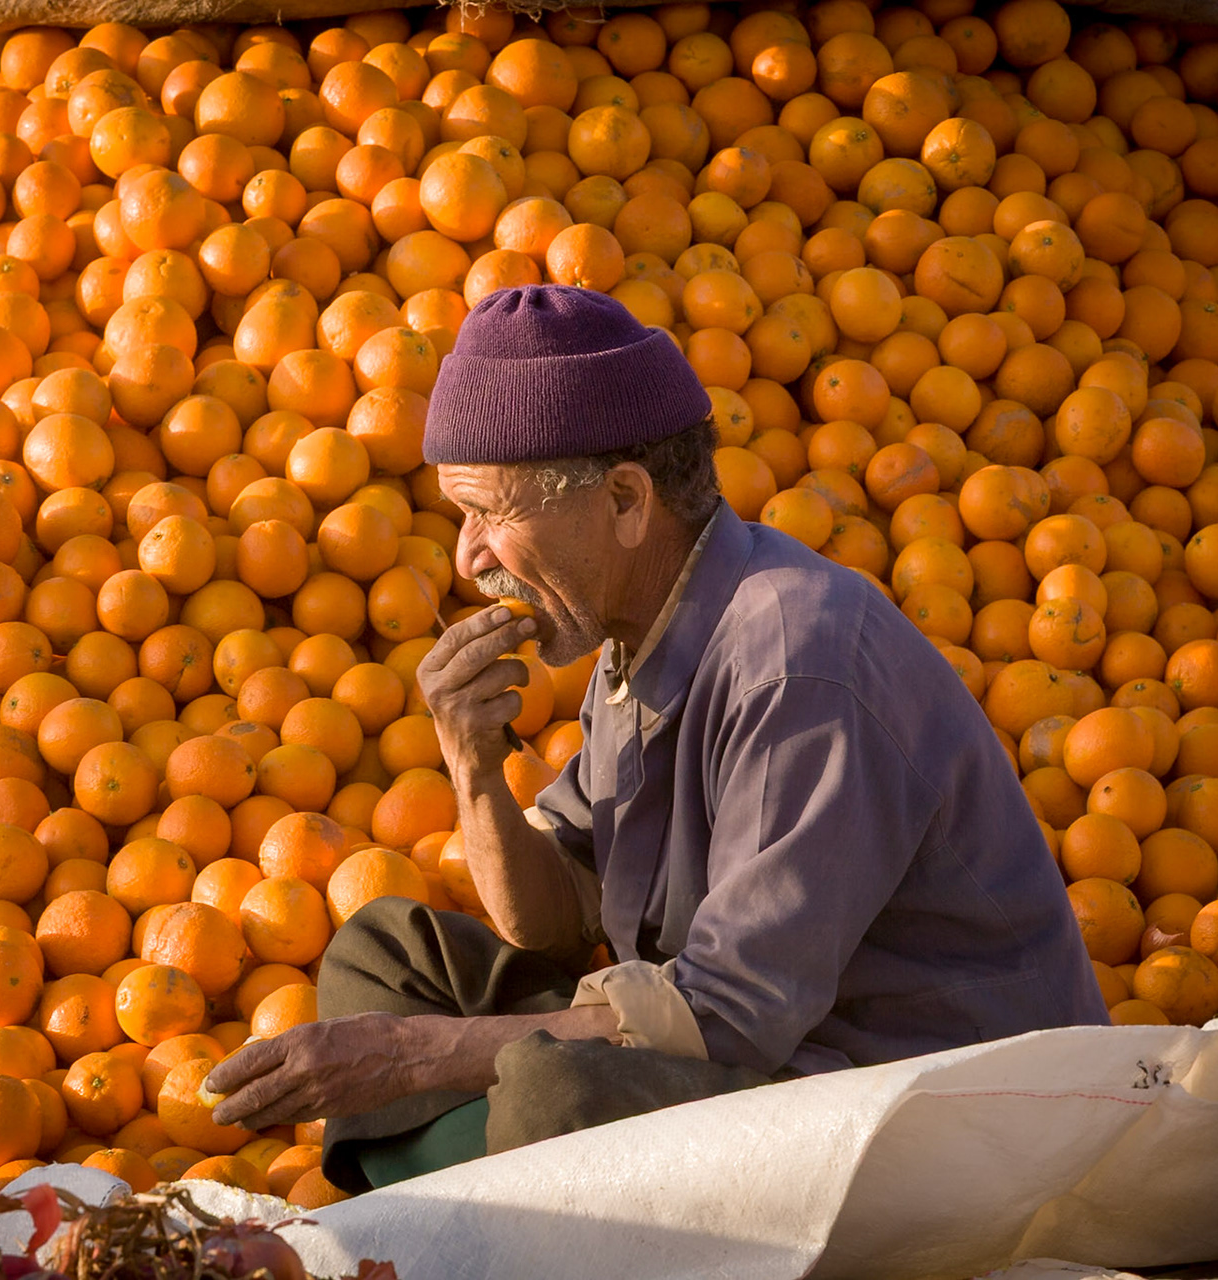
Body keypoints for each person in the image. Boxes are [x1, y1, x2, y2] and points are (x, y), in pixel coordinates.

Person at [206, 284, 1108, 1192]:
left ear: (628, 501)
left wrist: (415, 1060)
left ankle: (484, 1190)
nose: (467, 559)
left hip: (918, 1107)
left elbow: (728, 1016)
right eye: (460, 518)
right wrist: (472, 768)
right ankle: (498, 1194)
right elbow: (552, 926)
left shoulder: (799, 665)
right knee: (384, 958)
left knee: (550, 1094)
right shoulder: (632, 635)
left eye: (492, 515)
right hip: (749, 1050)